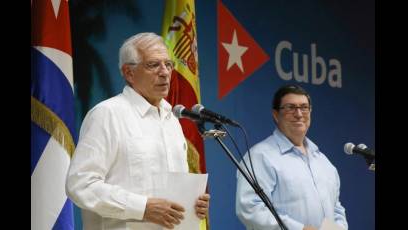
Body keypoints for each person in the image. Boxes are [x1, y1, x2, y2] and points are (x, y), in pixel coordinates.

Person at [66, 32, 210, 230]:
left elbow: (172, 193)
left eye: (168, 64)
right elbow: (80, 185)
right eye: (153, 65)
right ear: (129, 73)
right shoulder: (107, 115)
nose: (165, 72)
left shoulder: (172, 119)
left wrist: (191, 204)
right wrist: (142, 208)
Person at [235, 85, 348, 230]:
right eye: (291, 107)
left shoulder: (323, 162)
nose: (299, 114)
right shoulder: (260, 156)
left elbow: (336, 208)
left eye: (304, 107)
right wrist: (299, 229)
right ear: (276, 115)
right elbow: (250, 208)